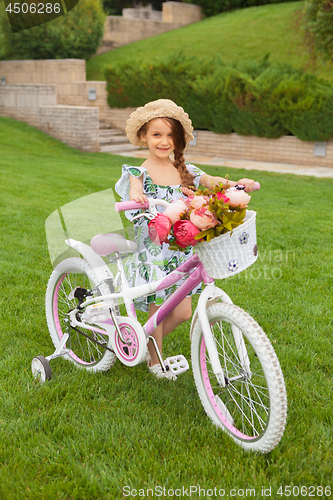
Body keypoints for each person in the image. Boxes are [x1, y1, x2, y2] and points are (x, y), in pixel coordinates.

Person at [115, 99, 256, 380]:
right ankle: (155, 361)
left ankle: (140, 341)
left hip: (181, 249)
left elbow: (211, 180)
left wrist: (236, 185)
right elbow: (134, 190)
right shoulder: (138, 172)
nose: (164, 141)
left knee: (180, 312)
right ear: (144, 137)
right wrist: (137, 197)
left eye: (170, 136)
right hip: (155, 251)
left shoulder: (185, 168)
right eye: (157, 135)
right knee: (158, 308)